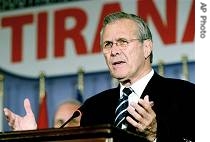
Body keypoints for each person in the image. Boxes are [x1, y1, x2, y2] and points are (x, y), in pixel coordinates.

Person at [3, 12, 194, 142]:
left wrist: (155, 135)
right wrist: (30, 138)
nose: (114, 51)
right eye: (108, 44)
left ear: (147, 47)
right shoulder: (93, 106)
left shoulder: (186, 95)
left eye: (122, 42)